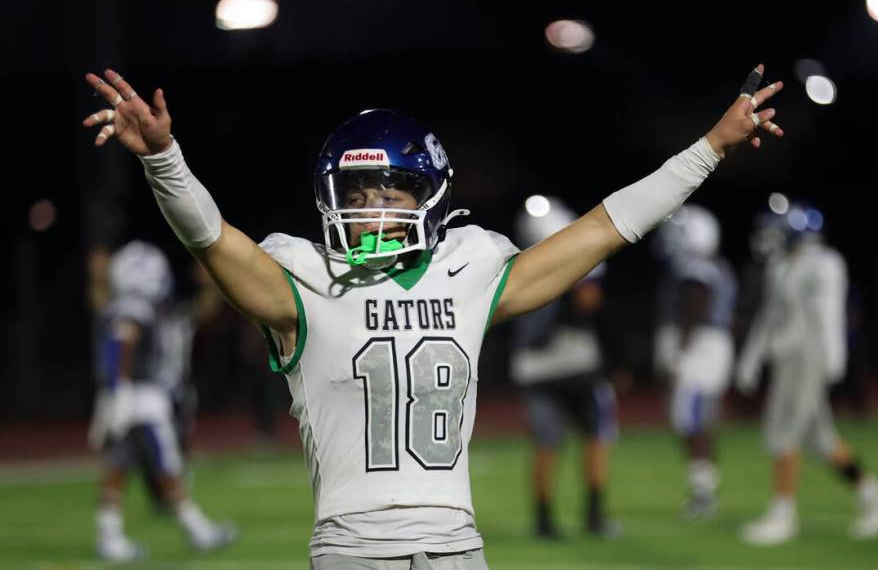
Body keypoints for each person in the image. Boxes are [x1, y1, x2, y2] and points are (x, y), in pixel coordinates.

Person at [82, 64, 783, 567]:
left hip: (458, 544)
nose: (369, 206)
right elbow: (212, 238)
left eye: (387, 188)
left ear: (430, 194)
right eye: (355, 192)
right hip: (354, 548)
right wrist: (165, 162)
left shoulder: (471, 265)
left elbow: (605, 228)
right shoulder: (301, 276)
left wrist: (711, 148)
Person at [736, 202, 878, 545]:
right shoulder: (780, 266)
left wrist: (834, 357)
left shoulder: (824, 264)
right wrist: (752, 358)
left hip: (807, 359)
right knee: (820, 439)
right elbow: (770, 315)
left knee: (782, 434)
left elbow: (828, 314)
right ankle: (876, 497)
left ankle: (783, 515)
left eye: (778, 230)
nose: (771, 237)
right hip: (786, 360)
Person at [87, 240, 238, 561]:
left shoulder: (122, 305)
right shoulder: (134, 307)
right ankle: (197, 531)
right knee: (165, 466)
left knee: (118, 465)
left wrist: (115, 391)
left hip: (123, 395)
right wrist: (122, 388)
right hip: (140, 399)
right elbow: (122, 342)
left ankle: (110, 536)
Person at [510, 196, 620, 539]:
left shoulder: (513, 262)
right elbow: (591, 302)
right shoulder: (575, 258)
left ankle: (543, 522)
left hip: (533, 367)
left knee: (546, 444)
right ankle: (594, 516)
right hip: (575, 363)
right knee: (596, 437)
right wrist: (618, 358)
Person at [652, 205, 736, 520]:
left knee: (691, 419)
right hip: (707, 347)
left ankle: (704, 493)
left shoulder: (695, 267)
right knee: (694, 420)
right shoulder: (715, 265)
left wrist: (679, 353)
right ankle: (703, 486)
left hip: (699, 349)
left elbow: (695, 304)